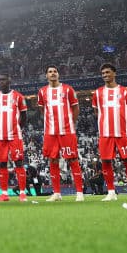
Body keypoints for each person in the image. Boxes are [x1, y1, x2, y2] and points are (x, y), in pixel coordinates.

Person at [92, 63, 127, 202]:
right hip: (105, 133)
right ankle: (111, 192)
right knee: (106, 162)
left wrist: (126, 125)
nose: (105, 75)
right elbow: (96, 112)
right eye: (103, 73)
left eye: (107, 72)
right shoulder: (97, 93)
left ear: (114, 73)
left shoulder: (125, 91)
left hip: (122, 133)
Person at [37, 65, 84, 202]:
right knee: (53, 160)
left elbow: (75, 108)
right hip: (50, 132)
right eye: (50, 72)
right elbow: (42, 110)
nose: (52, 74)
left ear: (58, 74)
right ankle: (57, 193)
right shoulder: (42, 92)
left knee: (73, 159)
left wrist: (70, 123)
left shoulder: (68, 89)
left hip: (66, 130)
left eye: (55, 71)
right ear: (46, 75)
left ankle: (79, 192)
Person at [0, 73, 28, 203]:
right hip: (0, 136)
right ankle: (4, 194)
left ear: (9, 80)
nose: (1, 82)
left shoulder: (18, 96)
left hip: (15, 135)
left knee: (19, 162)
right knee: (2, 164)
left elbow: (24, 116)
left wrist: (16, 128)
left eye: (4, 79)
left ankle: (22, 193)